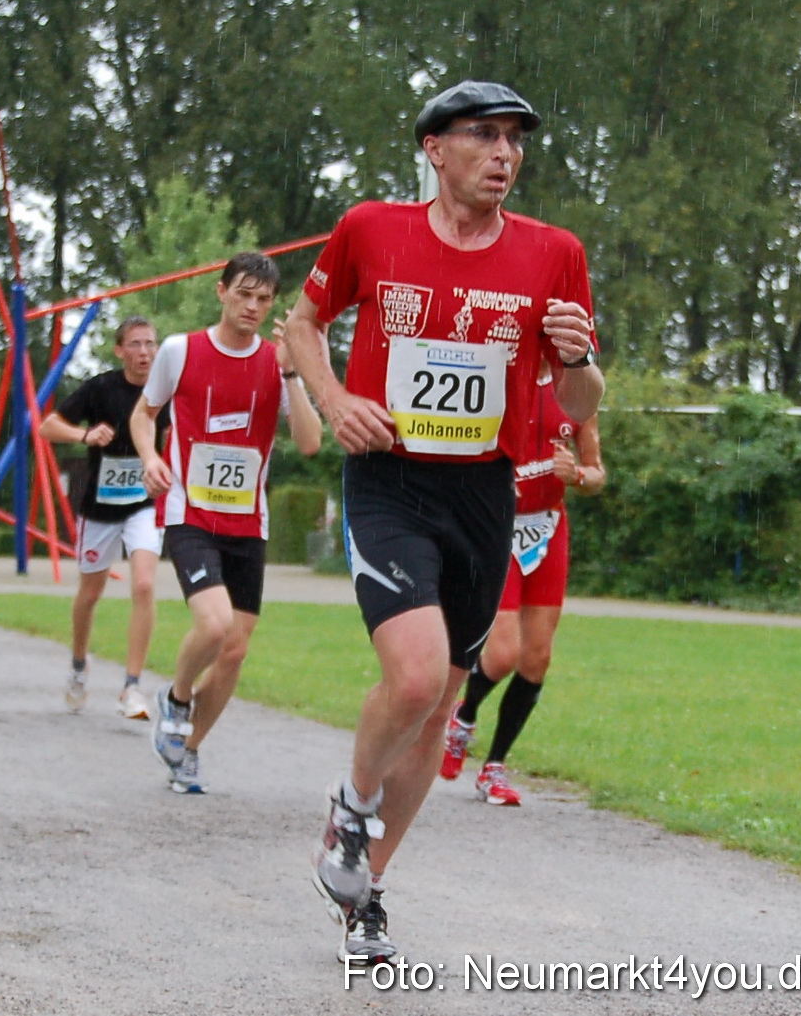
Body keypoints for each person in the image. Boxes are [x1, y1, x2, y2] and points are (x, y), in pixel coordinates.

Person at [285, 80, 603, 965]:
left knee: (441, 706)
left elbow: (580, 401)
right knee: (418, 675)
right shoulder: (371, 229)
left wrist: (579, 357)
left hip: (484, 492)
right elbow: (303, 325)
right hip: (389, 479)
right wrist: (335, 398)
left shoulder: (555, 253)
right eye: (484, 135)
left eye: (516, 140)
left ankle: (367, 889)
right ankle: (353, 804)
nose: (505, 154)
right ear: (434, 147)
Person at [134, 255, 323, 795]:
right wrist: (150, 457)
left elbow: (310, 443)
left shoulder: (275, 363)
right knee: (214, 625)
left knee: (235, 649)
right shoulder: (180, 351)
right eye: (244, 294)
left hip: (247, 523)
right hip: (190, 513)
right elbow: (144, 414)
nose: (252, 307)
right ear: (221, 292)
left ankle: (187, 751)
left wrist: (292, 372)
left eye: (264, 299)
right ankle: (176, 697)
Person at [441, 380, 605, 805]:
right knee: (502, 654)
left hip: (547, 530)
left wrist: (578, 475)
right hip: (496, 528)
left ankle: (494, 767)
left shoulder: (579, 392)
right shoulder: (500, 377)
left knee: (537, 659)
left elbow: (597, 474)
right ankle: (463, 716)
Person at [39, 316, 167, 718]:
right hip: (100, 507)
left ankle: (132, 686)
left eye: (150, 344)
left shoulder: (166, 390)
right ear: (120, 350)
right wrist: (85, 435)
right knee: (90, 594)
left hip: (144, 504)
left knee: (143, 585)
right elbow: (47, 427)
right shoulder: (100, 388)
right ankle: (79, 666)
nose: (144, 352)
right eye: (136, 344)